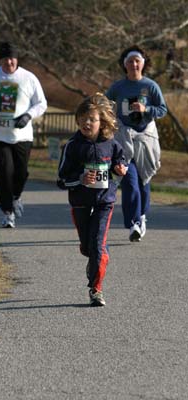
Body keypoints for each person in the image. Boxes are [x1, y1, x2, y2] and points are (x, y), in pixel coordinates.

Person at [57, 93, 127, 307]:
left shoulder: (111, 143)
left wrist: (120, 168)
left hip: (104, 201)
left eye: (92, 119)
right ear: (77, 120)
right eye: (83, 118)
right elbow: (61, 180)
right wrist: (79, 179)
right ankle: (93, 259)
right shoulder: (72, 146)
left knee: (98, 245)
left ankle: (96, 289)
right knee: (88, 248)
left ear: (102, 122)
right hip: (79, 202)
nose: (87, 123)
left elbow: (120, 160)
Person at [0, 42, 47, 228]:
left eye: (12, 58)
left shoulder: (28, 78)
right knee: (5, 173)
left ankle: (16, 197)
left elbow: (41, 103)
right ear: (0, 60)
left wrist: (28, 115)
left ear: (17, 59)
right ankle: (8, 213)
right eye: (5, 59)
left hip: (22, 135)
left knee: (21, 173)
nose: (9, 62)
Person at [106, 45, 167, 242]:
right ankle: (133, 223)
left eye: (137, 61)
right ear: (125, 65)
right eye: (130, 61)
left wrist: (146, 108)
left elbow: (162, 109)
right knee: (129, 180)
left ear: (143, 63)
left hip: (146, 139)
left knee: (143, 181)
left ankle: (141, 217)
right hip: (124, 139)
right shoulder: (118, 87)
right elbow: (105, 106)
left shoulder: (151, 86)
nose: (134, 64)